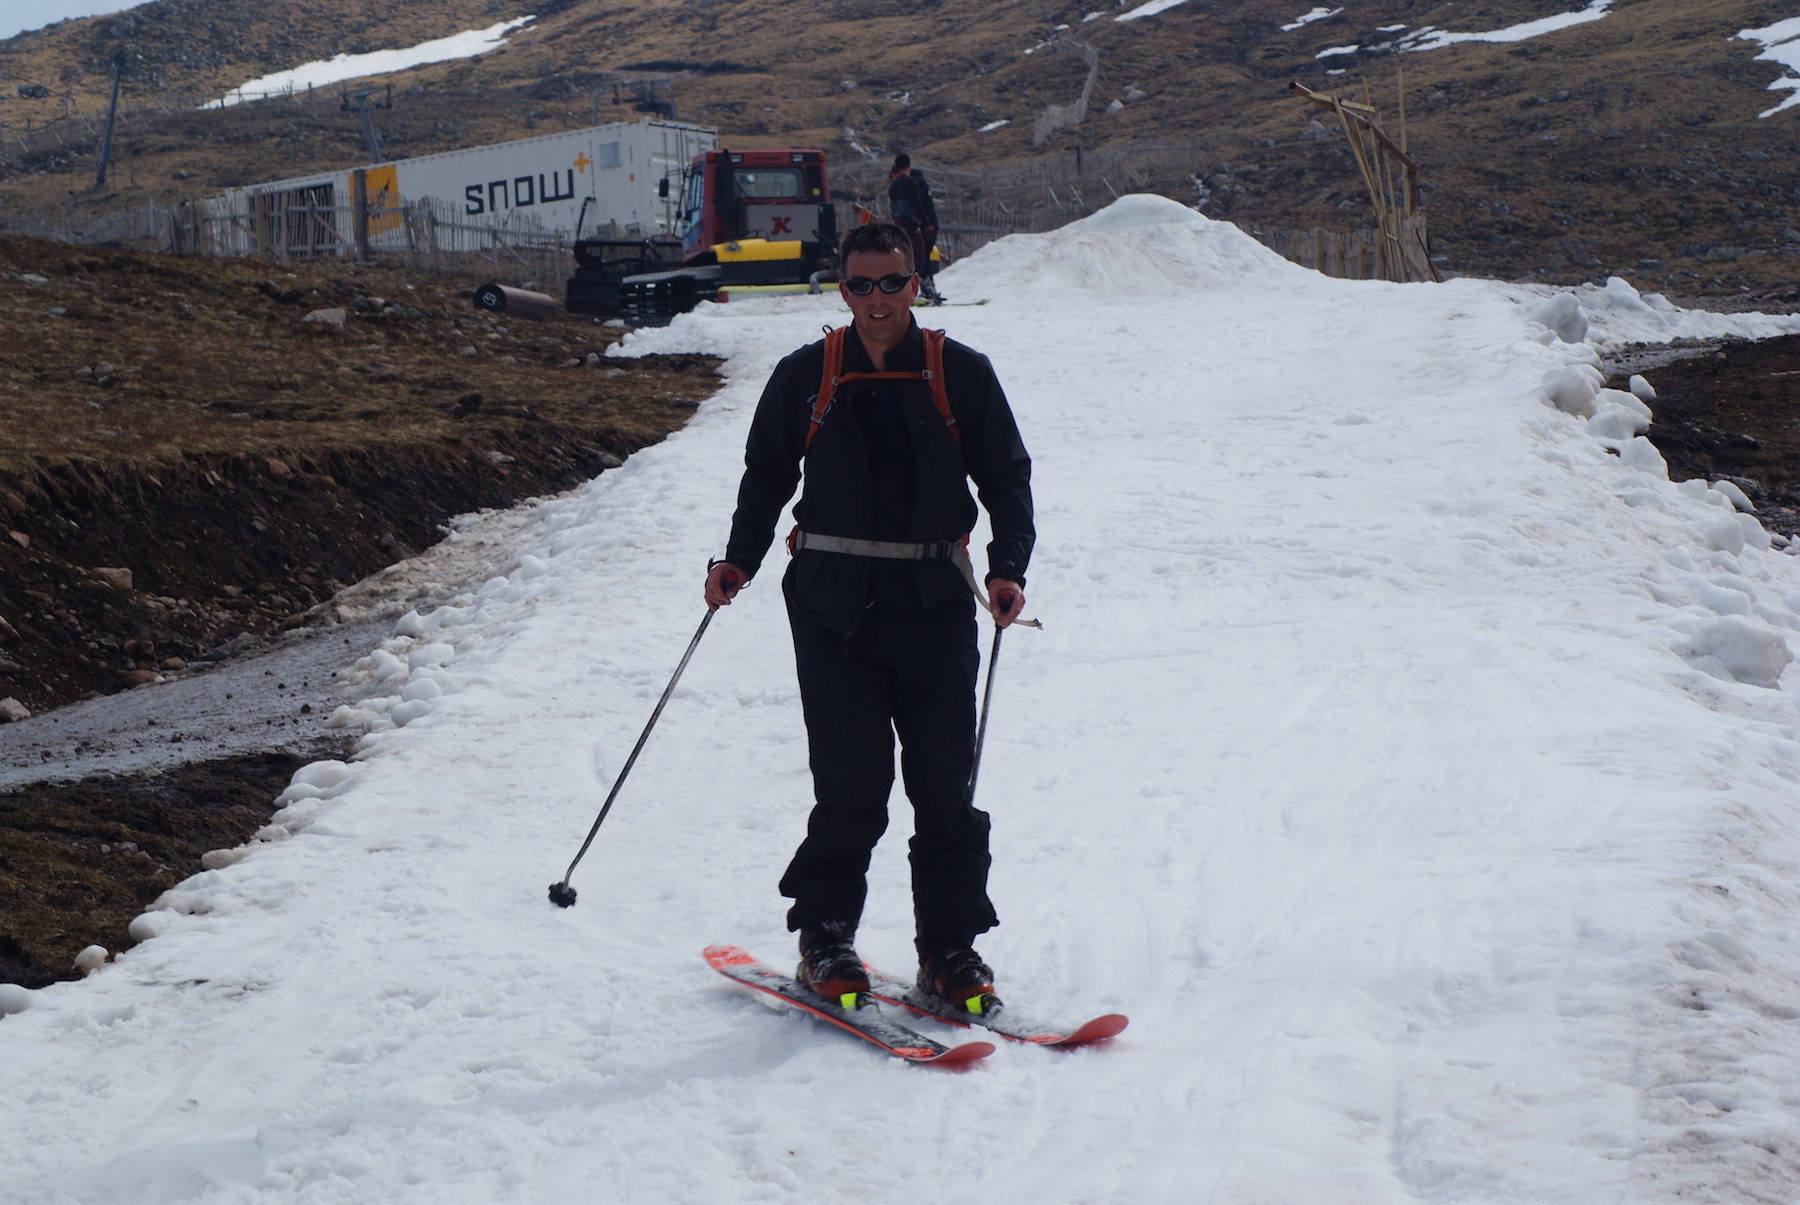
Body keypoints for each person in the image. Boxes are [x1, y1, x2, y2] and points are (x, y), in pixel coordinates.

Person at [703, 221, 1034, 1013]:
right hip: (832, 605)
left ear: (914, 284)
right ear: (842, 288)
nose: (877, 300)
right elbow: (767, 472)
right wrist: (739, 558)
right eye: (861, 284)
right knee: (852, 785)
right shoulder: (807, 372)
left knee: (944, 784)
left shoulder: (959, 371)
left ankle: (949, 950)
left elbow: (1006, 475)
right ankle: (825, 937)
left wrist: (1007, 567)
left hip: (934, 601)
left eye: (892, 283)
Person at [886, 153, 932, 297]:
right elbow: (917, 204)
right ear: (909, 165)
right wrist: (926, 222)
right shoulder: (910, 182)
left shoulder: (892, 186)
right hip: (911, 223)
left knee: (903, 255)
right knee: (918, 255)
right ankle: (914, 288)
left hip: (898, 223)